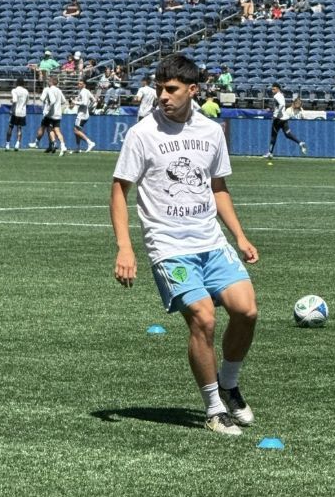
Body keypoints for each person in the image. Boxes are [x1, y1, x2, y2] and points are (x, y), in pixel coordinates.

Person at [110, 54, 259, 436]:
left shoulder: (211, 131)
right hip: (169, 246)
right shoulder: (142, 133)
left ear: (193, 90)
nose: (163, 96)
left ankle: (228, 385)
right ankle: (214, 410)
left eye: (171, 89)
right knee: (203, 318)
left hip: (211, 241)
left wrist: (240, 236)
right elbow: (119, 189)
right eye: (160, 88)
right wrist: (125, 247)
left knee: (246, 311)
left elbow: (218, 187)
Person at [264, 82, 306, 159]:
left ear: (278, 89)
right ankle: (300, 143)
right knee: (288, 134)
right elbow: (279, 106)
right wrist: (272, 109)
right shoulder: (281, 95)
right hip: (284, 119)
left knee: (273, 136)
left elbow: (282, 105)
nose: (272, 90)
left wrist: (275, 114)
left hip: (278, 119)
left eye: (274, 89)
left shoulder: (276, 96)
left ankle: (270, 153)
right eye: (272, 89)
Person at [29, 76, 67, 155]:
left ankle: (37, 142)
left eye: (49, 81)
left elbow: (50, 100)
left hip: (50, 114)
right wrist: (58, 107)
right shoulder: (59, 90)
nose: (48, 82)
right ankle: (62, 145)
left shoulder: (49, 90)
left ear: (51, 82)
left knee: (44, 128)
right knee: (56, 130)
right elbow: (63, 101)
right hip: (58, 114)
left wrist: (48, 109)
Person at [72, 79, 96, 152]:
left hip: (82, 115)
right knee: (77, 130)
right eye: (78, 83)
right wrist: (90, 108)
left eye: (80, 84)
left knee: (76, 130)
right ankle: (78, 148)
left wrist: (75, 102)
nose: (78, 85)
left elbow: (84, 103)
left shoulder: (83, 92)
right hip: (84, 114)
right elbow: (94, 100)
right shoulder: (87, 91)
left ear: (84, 85)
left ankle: (90, 143)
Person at [6, 78, 29, 151]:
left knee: (10, 127)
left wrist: (11, 100)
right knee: (19, 127)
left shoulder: (14, 90)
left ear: (17, 83)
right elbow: (27, 101)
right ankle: (17, 144)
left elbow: (15, 100)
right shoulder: (26, 91)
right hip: (22, 112)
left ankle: (7, 144)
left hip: (15, 111)